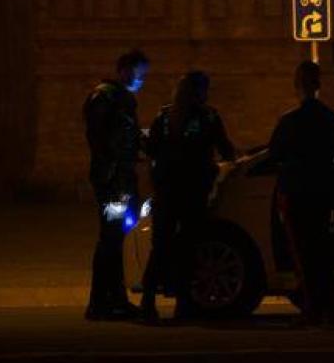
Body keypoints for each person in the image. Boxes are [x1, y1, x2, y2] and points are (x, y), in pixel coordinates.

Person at [141, 70, 236, 321]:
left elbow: (150, 150)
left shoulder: (163, 117)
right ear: (200, 91)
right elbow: (225, 148)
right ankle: (183, 304)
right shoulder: (208, 116)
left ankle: (148, 301)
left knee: (160, 246)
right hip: (194, 191)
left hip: (166, 191)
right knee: (188, 247)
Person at [267, 61, 334, 326]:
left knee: (302, 251)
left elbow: (275, 154)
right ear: (318, 84)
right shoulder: (329, 118)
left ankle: (312, 307)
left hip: (296, 191)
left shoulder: (290, 121)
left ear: (297, 85)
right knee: (321, 246)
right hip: (320, 188)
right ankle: (330, 306)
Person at [84, 48, 149, 321]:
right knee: (112, 239)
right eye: (139, 73)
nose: (142, 80)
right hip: (115, 183)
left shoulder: (114, 98)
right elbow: (107, 141)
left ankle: (111, 299)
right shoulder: (110, 98)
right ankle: (103, 302)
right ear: (123, 70)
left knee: (115, 239)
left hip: (117, 179)